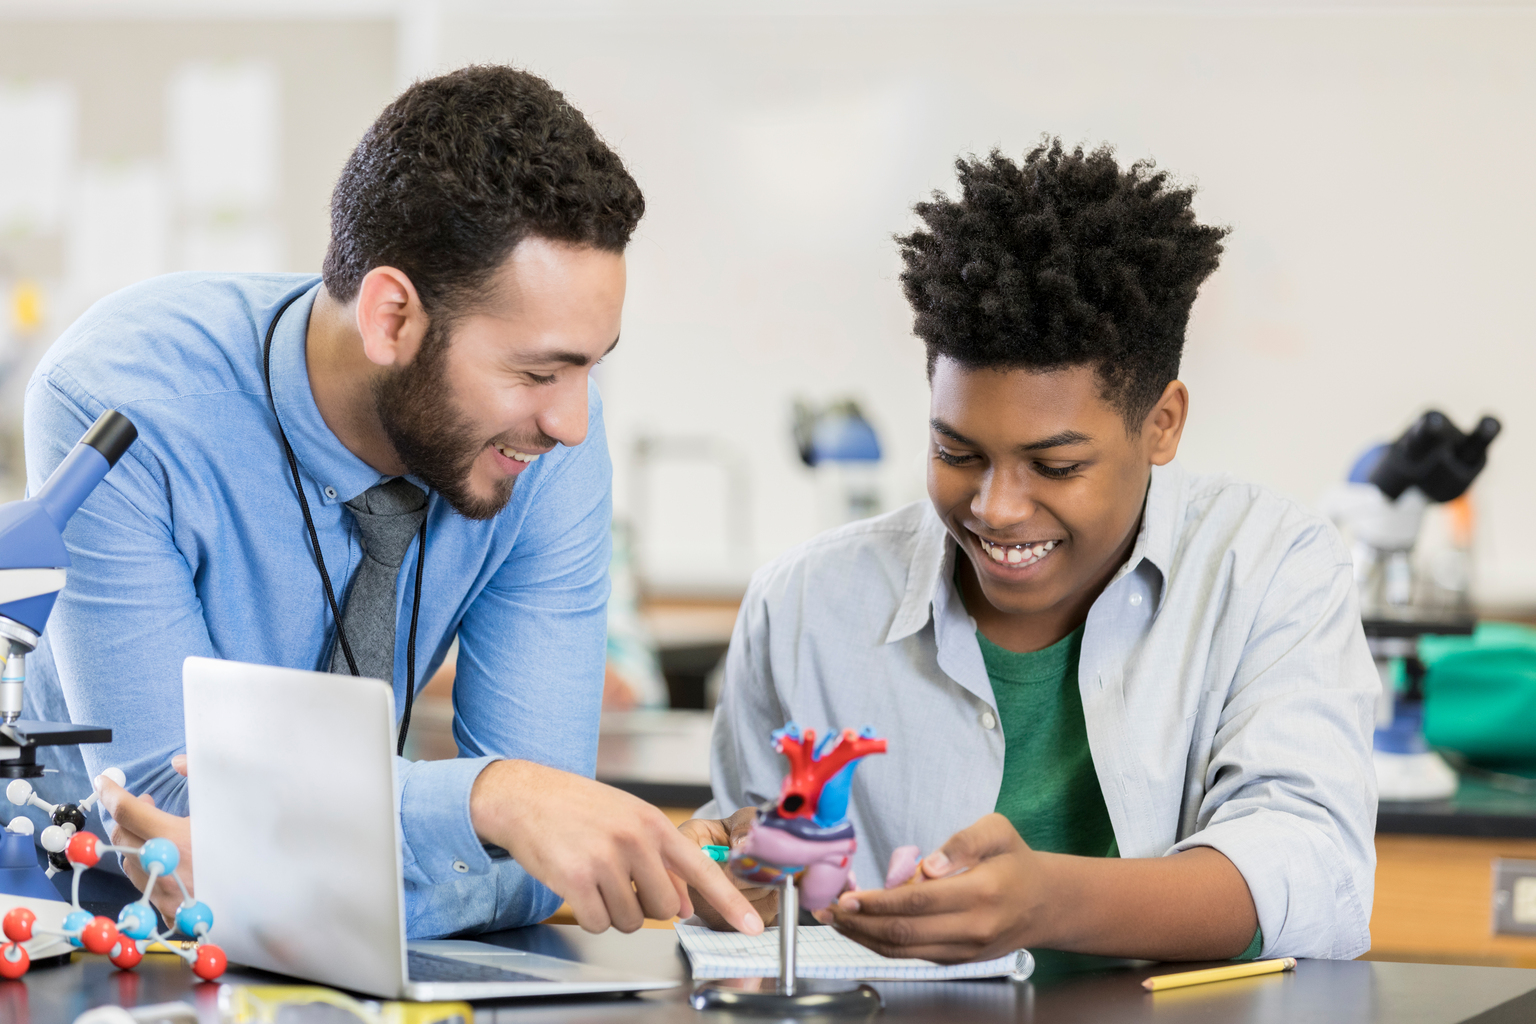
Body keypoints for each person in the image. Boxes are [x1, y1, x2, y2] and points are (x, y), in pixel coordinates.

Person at [20, 65, 759, 940]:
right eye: (536, 371)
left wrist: (280, 878)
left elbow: (541, 859)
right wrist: (492, 796)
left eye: (590, 366)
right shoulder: (119, 404)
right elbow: (165, 823)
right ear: (391, 317)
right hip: (77, 929)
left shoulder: (553, 440)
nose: (570, 421)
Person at [682, 140, 1377, 963]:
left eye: (1056, 466)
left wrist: (1050, 903)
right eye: (957, 452)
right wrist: (744, 874)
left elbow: (1311, 868)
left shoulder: (1271, 569)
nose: (996, 509)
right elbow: (756, 888)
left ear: (1162, 423)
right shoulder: (803, 604)